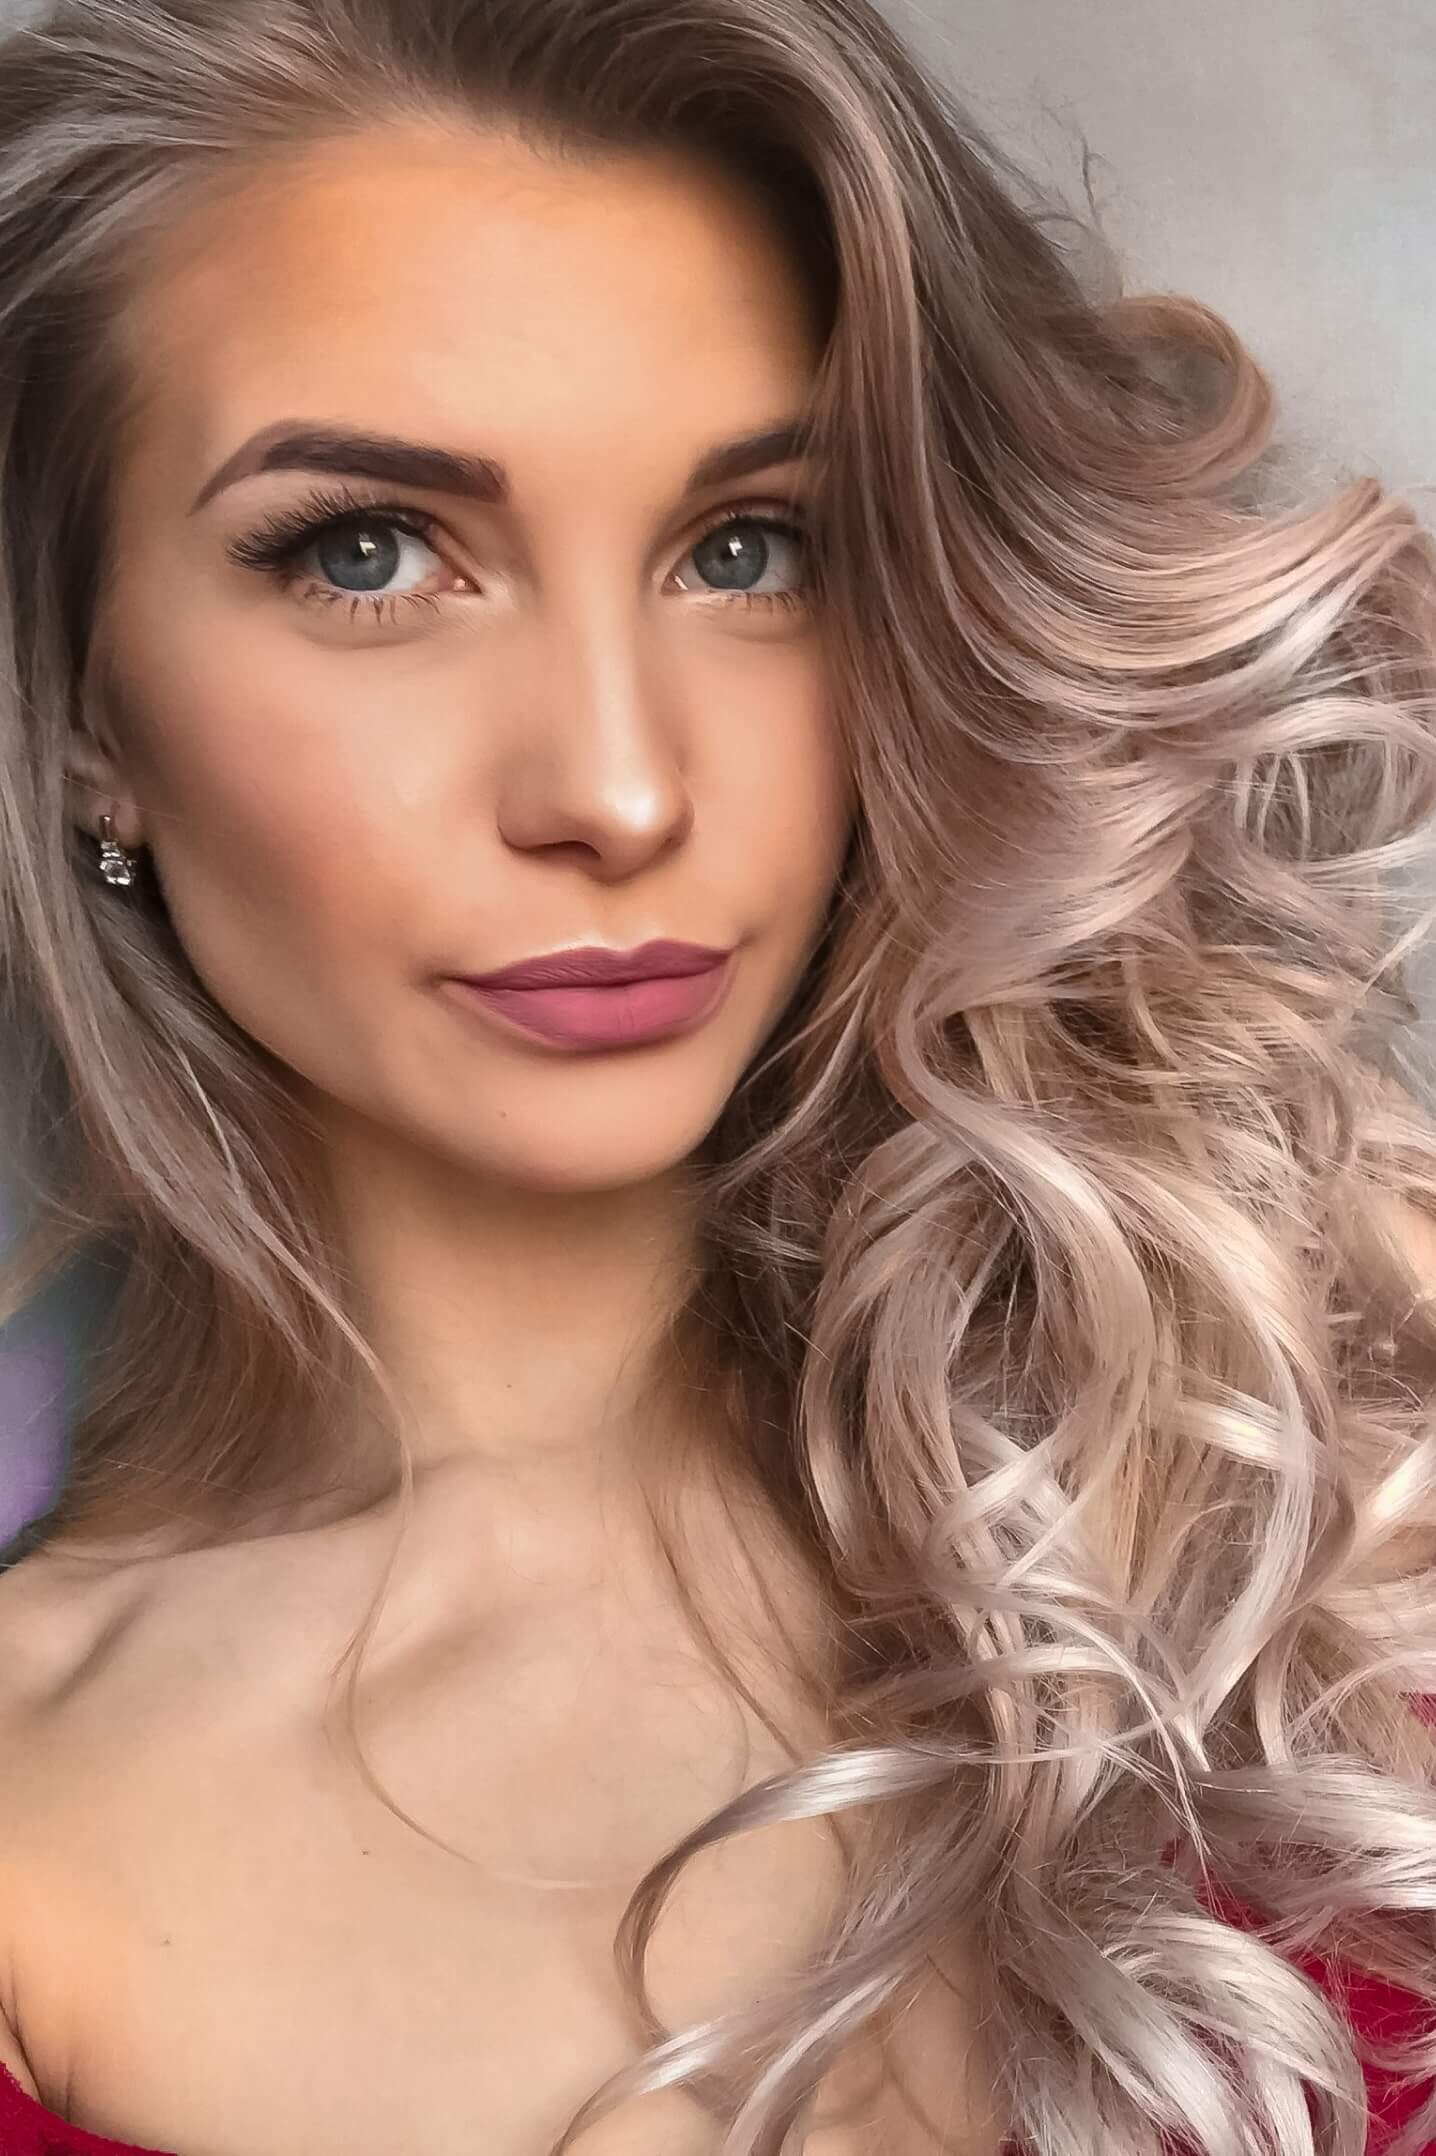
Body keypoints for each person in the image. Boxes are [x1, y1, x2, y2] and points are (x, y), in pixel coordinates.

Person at [0, 0, 1432, 2149]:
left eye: (748, 548)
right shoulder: (32, 1831)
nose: (618, 786)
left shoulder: (1336, 1417)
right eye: (369, 554)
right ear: (82, 707)